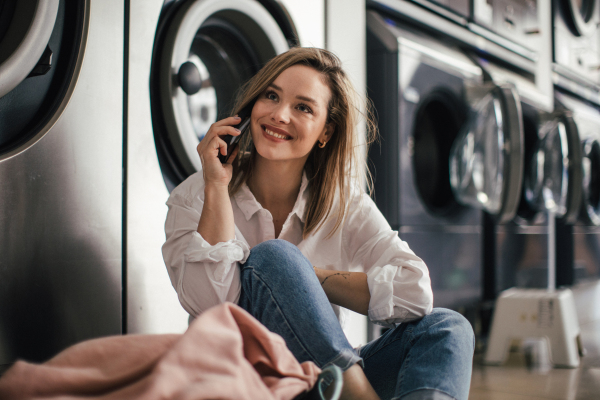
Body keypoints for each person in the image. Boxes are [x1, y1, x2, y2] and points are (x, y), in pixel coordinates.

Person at [162, 47, 475, 400]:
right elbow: (210, 304)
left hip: (320, 385)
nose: (280, 114)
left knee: (448, 328)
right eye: (271, 95)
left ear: (325, 132)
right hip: (242, 385)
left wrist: (307, 278)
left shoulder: (343, 201)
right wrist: (217, 186)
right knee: (275, 258)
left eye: (303, 107)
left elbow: (415, 293)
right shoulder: (199, 193)